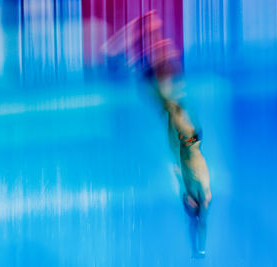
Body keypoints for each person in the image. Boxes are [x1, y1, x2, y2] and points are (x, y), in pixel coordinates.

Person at [103, 10, 212, 256]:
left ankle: (145, 36)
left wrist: (198, 248)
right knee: (165, 94)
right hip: (186, 134)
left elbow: (198, 220)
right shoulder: (198, 188)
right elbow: (200, 217)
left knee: (162, 93)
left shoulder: (187, 185)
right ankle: (146, 35)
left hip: (182, 132)